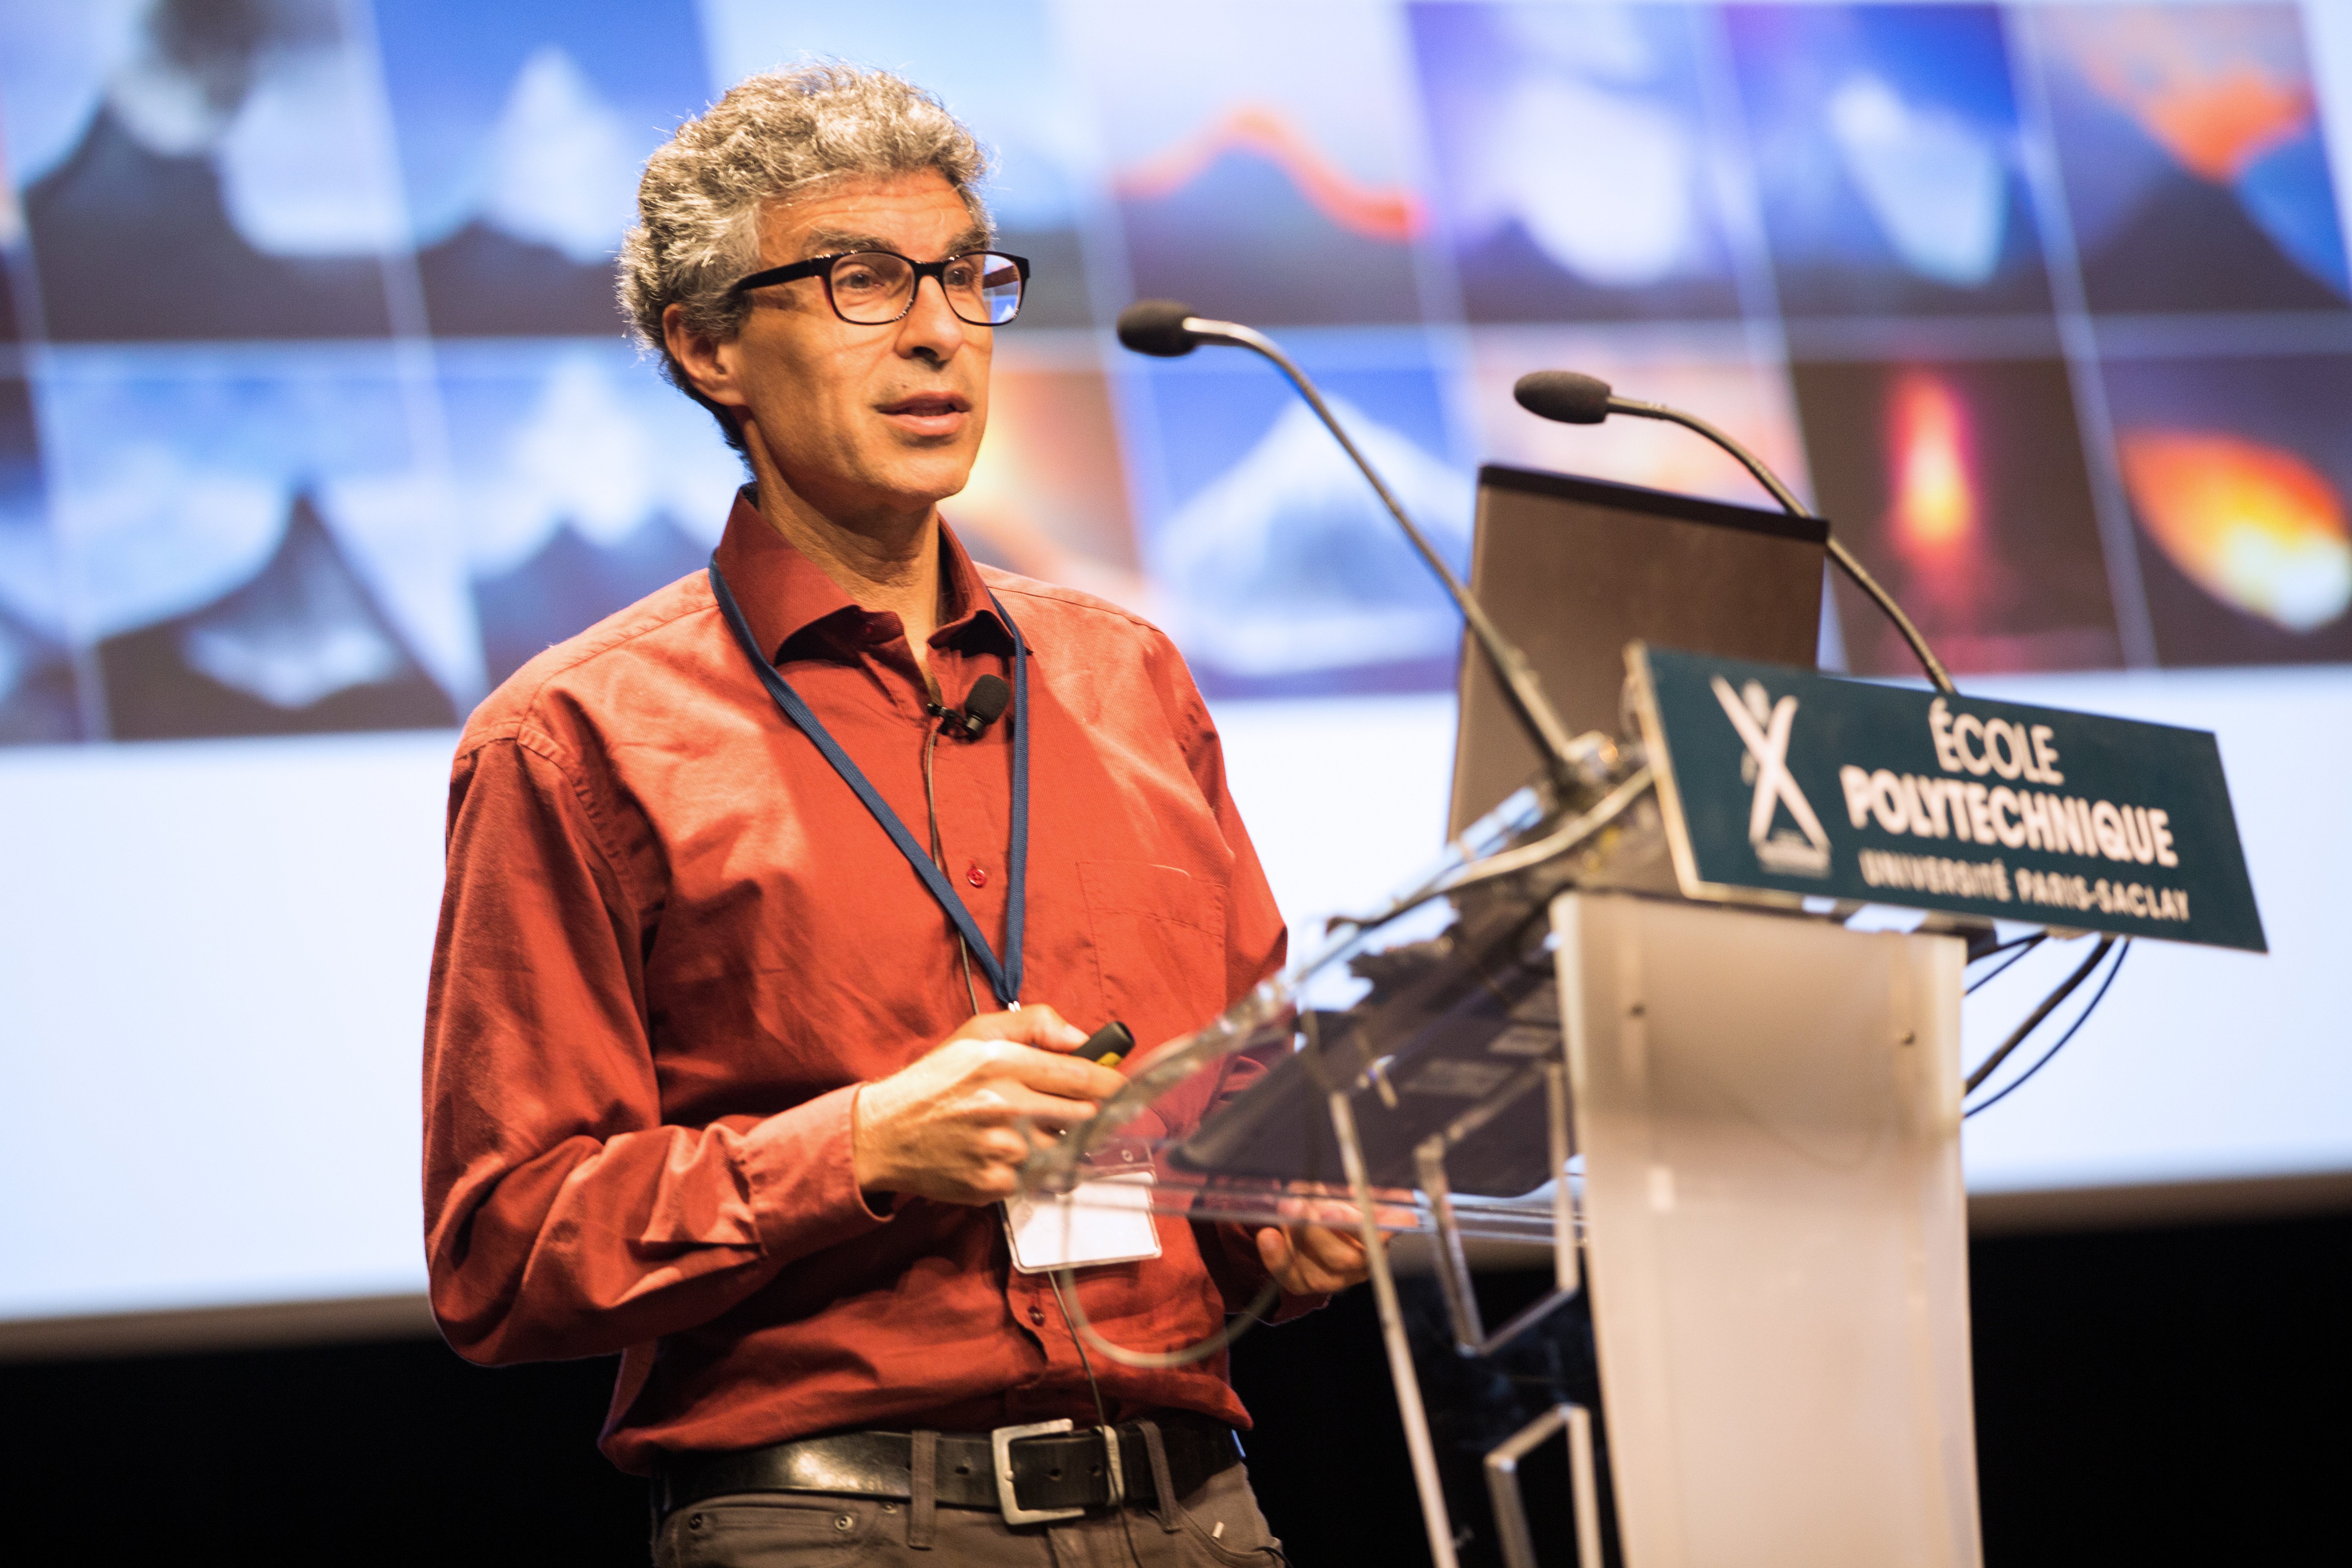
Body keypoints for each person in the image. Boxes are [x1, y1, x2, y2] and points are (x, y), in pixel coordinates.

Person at [421, 64, 1370, 1566]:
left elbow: (1251, 1116)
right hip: (841, 1523)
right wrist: (858, 1148)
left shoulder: (1129, 680)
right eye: (862, 282)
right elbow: (506, 1248)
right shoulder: (576, 737)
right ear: (708, 343)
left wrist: (1293, 1223)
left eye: (967, 279)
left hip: (1200, 1510)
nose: (940, 331)